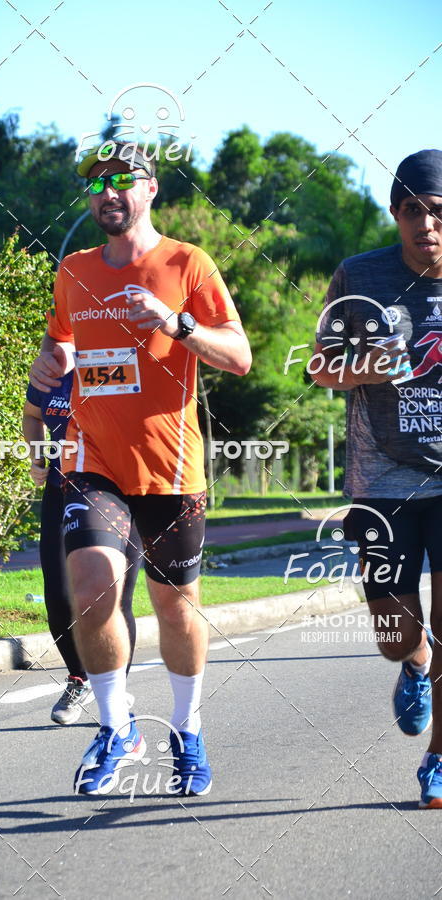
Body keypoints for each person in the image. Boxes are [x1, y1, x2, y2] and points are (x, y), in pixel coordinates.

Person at [29, 141, 251, 796]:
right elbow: (59, 343)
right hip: (92, 458)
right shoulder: (73, 270)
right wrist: (49, 362)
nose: (108, 193)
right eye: (96, 183)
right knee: (92, 581)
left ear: (151, 188)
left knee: (175, 610)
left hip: (170, 468)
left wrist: (175, 323)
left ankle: (187, 728)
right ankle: (117, 727)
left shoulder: (188, 263)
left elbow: (239, 356)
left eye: (122, 179)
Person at [311, 149, 442, 809]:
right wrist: (366, 366)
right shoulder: (360, 276)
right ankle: (415, 664)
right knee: (396, 630)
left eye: (438, 212)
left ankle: (438, 758)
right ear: (395, 213)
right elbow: (319, 367)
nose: (427, 225)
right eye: (413, 210)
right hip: (381, 479)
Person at [22, 370, 139, 725]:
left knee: (115, 597)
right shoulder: (50, 370)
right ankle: (79, 678)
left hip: (117, 493)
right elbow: (32, 414)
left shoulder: (119, 365)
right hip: (62, 490)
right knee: (59, 595)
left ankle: (115, 688)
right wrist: (38, 457)